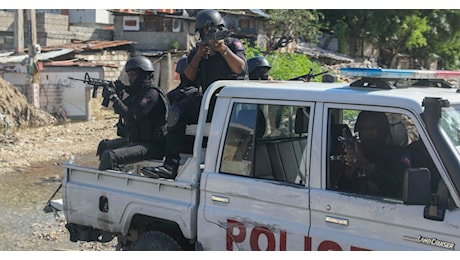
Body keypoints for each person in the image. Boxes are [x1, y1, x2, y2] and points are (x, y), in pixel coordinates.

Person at [141, 9, 247, 179]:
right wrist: (197, 57)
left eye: (211, 31)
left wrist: (223, 50)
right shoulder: (199, 50)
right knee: (176, 112)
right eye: (204, 31)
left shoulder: (232, 44)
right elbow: (187, 80)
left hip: (230, 104)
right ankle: (170, 166)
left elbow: (240, 68)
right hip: (208, 100)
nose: (208, 34)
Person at [96, 55, 168, 171]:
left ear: (144, 75)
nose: (130, 79)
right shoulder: (137, 94)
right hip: (136, 140)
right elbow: (123, 110)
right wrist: (117, 95)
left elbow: (133, 116)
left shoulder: (151, 94)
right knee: (104, 146)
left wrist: (115, 99)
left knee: (110, 156)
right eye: (129, 75)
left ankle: (107, 185)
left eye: (133, 75)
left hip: (152, 145)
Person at [338, 111, 409, 198]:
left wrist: (366, 166)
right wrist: (349, 168)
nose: (369, 132)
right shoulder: (356, 151)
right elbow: (340, 190)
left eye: (374, 128)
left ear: (383, 131)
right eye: (365, 128)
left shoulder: (397, 154)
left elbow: (398, 190)